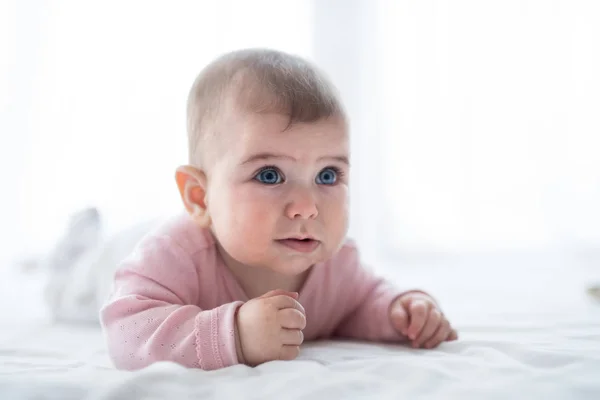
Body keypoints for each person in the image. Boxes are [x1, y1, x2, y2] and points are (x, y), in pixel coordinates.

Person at [100, 48, 458, 371]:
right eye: (270, 175)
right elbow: (125, 334)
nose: (306, 208)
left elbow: (358, 303)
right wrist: (235, 335)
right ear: (200, 197)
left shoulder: (335, 264)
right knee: (78, 278)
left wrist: (400, 311)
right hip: (107, 264)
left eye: (328, 175)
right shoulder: (172, 254)